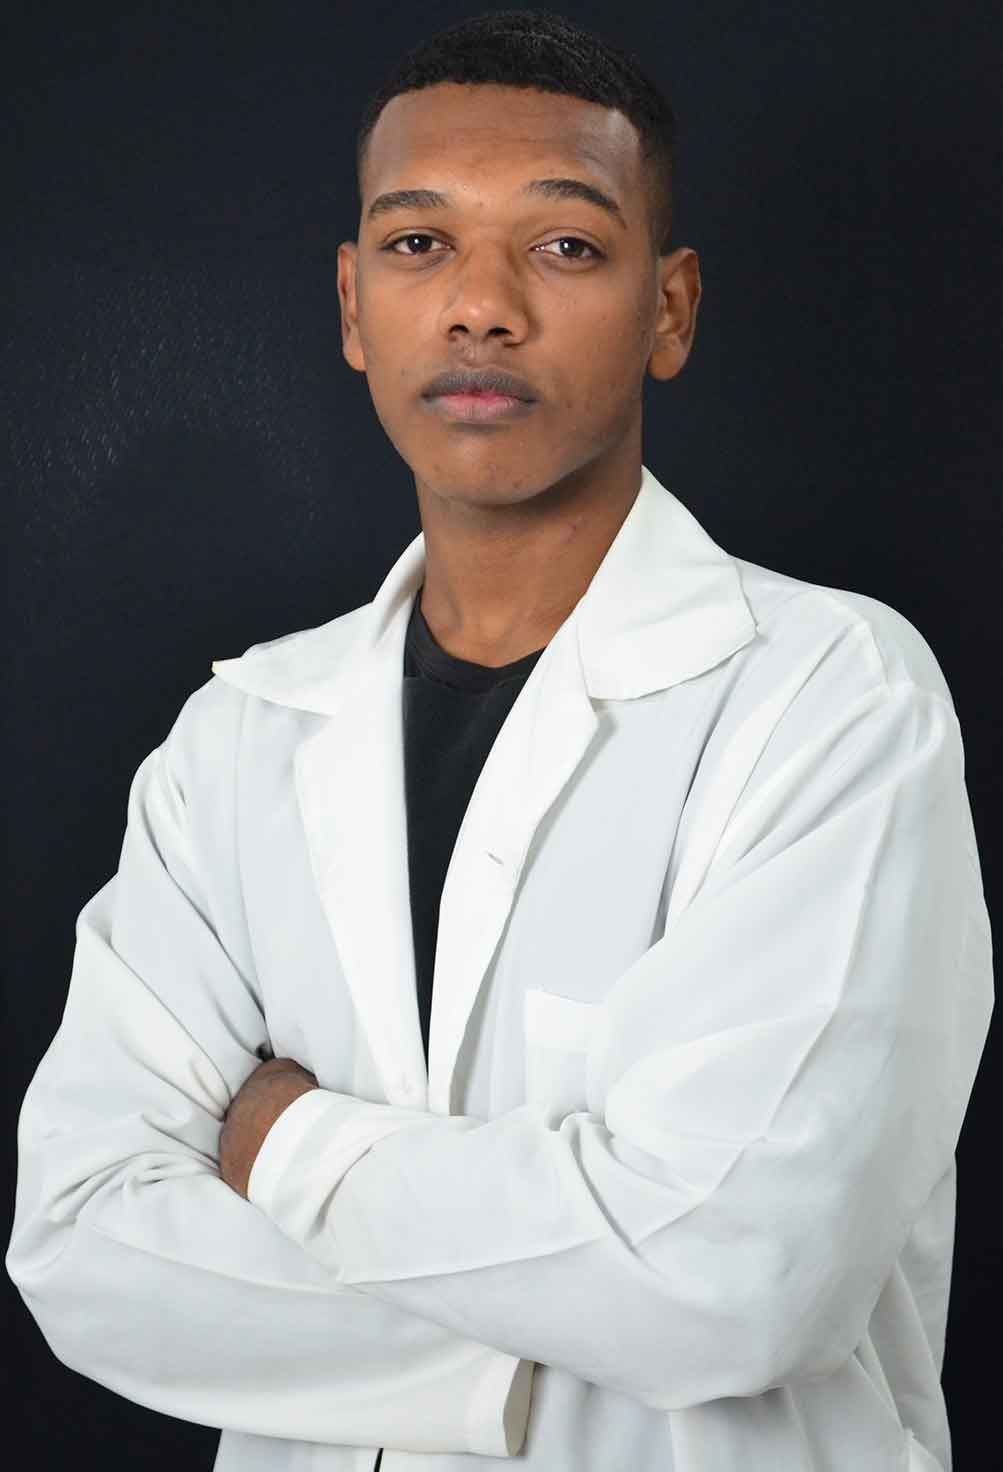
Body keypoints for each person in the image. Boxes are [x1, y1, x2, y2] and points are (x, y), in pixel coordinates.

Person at [6, 9, 994, 1472]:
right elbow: (81, 1238)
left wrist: (285, 1144)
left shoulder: (830, 700)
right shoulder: (237, 743)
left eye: (565, 246)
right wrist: (555, 1339)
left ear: (670, 310)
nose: (480, 307)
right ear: (354, 305)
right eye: (420, 244)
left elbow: (740, 1281)